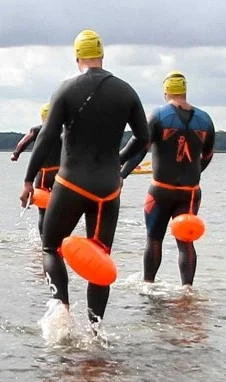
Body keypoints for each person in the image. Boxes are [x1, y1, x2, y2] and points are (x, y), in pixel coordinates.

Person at [20, 30, 148, 327]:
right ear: (102, 56)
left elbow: (46, 137)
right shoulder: (126, 91)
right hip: (108, 189)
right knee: (100, 258)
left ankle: (61, 307)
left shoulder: (66, 90)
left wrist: (29, 180)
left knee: (51, 247)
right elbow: (143, 138)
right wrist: (118, 160)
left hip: (71, 183)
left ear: (77, 58)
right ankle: (95, 329)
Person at [120, 71, 215, 287]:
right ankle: (187, 290)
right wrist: (194, 174)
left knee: (154, 239)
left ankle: (148, 286)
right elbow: (207, 156)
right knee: (186, 242)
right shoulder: (205, 120)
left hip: (160, 191)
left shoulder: (157, 116)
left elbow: (139, 150)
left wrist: (121, 173)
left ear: (166, 93)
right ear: (184, 91)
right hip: (190, 193)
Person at [11, 104, 58, 234]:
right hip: (61, 174)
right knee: (60, 209)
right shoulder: (64, 129)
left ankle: (45, 244)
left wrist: (16, 154)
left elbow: (23, 142)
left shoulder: (38, 130)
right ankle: (56, 242)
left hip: (44, 174)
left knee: (43, 211)